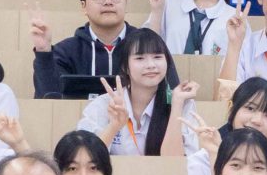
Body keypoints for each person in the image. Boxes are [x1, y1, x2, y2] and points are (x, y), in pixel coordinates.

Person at [77, 29, 190, 159]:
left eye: (157, 57)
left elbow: (176, 163)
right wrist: (113, 127)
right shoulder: (104, 104)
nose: (151, 65)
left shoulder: (182, 103)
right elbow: (84, 159)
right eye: (140, 58)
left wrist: (176, 106)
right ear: (125, 66)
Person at [31, 0, 136, 97]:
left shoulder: (145, 47)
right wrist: (43, 53)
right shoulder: (65, 52)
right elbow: (48, 98)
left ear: (126, 2)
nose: (108, 2)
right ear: (83, 6)